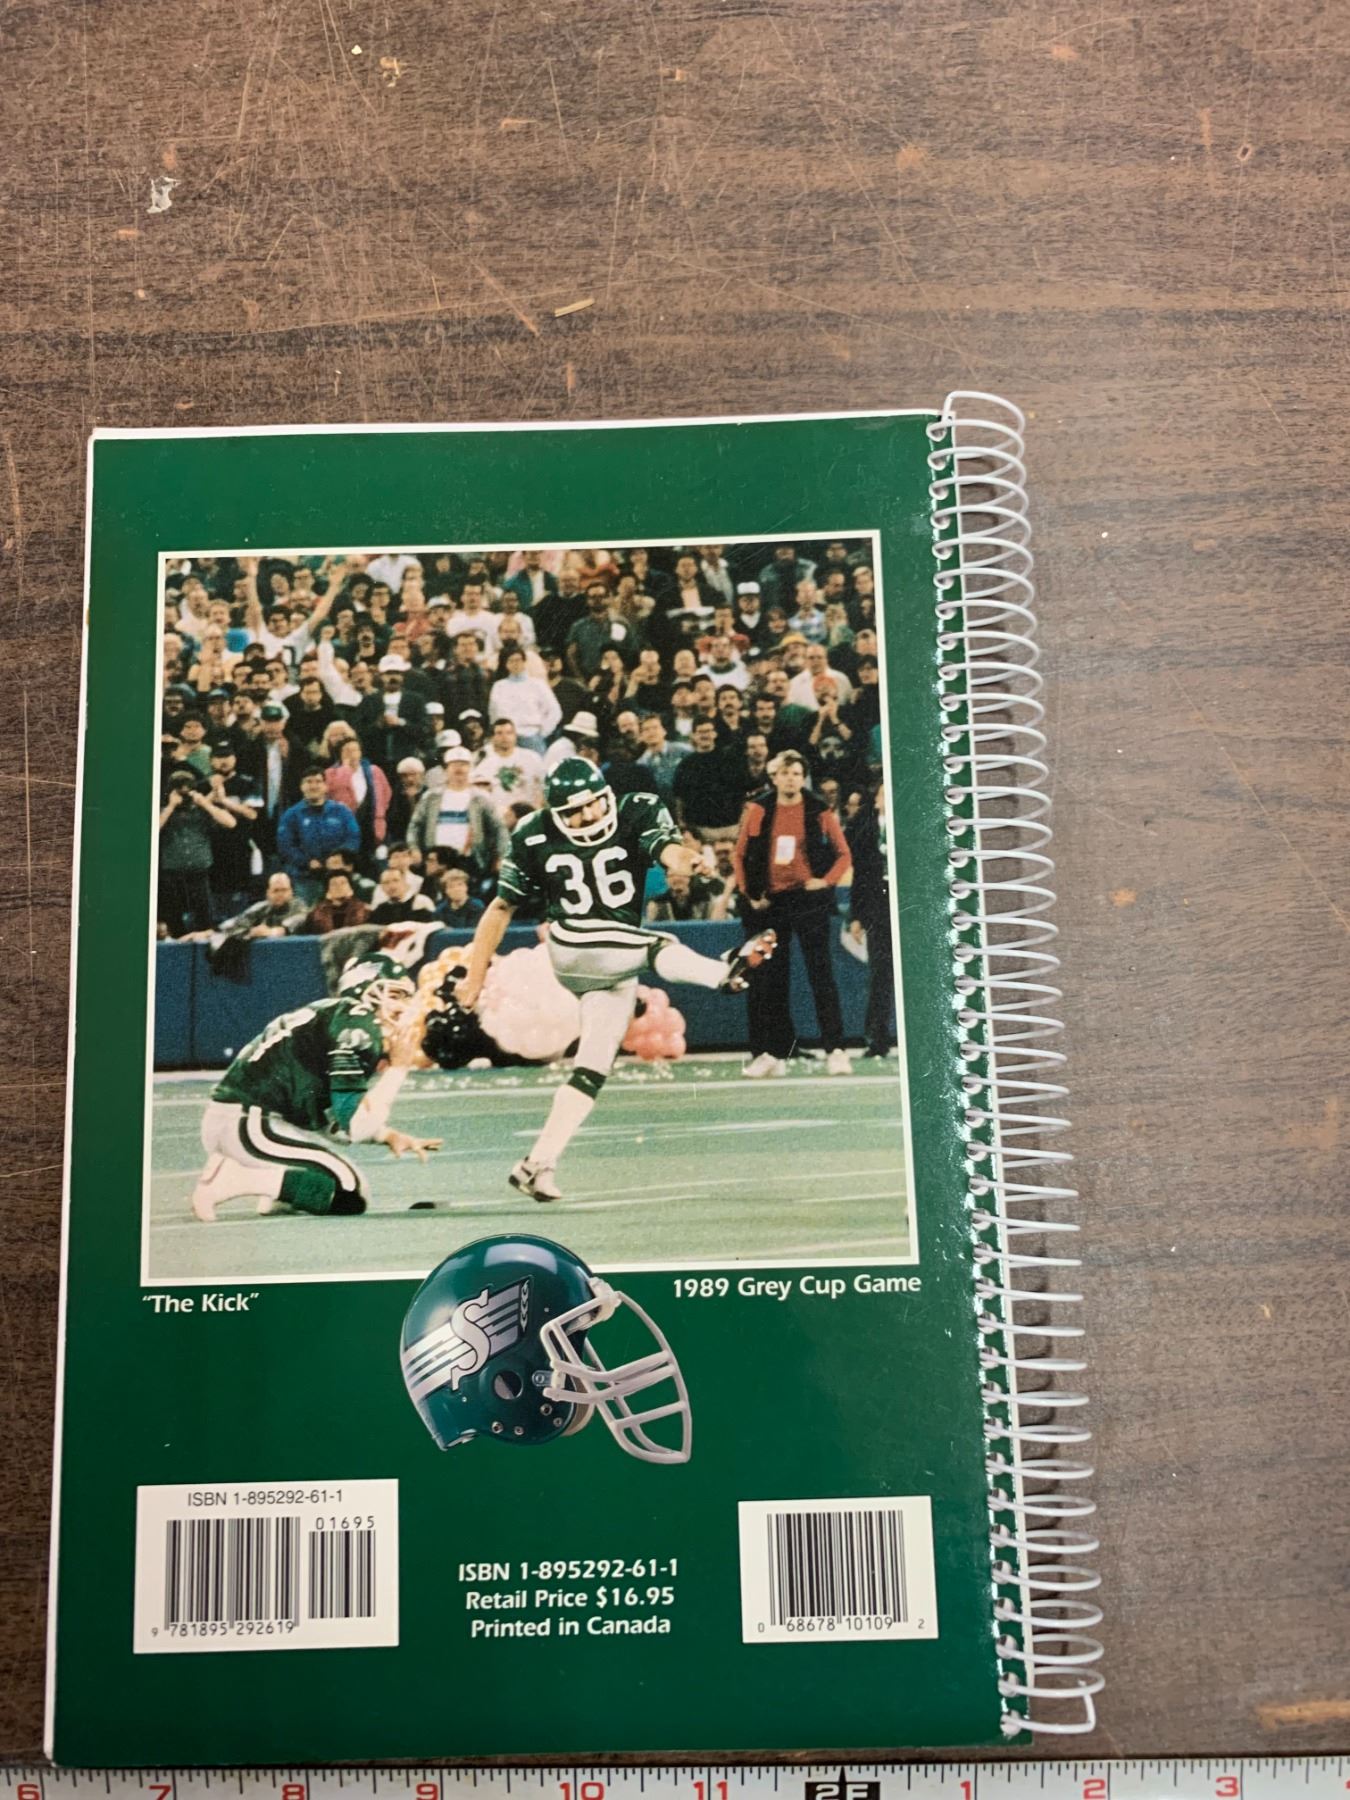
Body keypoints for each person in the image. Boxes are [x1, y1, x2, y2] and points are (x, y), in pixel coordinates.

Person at [454, 758, 776, 1201]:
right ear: (554, 813)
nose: (587, 816)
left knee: (591, 1069)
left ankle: (536, 1164)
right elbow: (501, 907)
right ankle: (723, 971)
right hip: (573, 942)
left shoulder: (636, 809)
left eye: (591, 804)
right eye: (573, 812)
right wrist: (475, 977)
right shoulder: (533, 832)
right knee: (658, 944)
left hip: (615, 958)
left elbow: (668, 850)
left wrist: (688, 861)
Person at [187, 964, 441, 1222]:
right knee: (349, 1192)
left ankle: (278, 1192)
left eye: (406, 997)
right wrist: (398, 1068)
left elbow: (329, 1116)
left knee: (343, 1189)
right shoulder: (358, 1026)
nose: (402, 1007)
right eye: (394, 996)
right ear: (363, 991)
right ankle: (237, 1178)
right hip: (248, 1123)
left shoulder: (337, 1017)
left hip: (246, 1120)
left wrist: (386, 1135)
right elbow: (355, 1125)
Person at [733, 750, 853, 1077]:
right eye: (785, 773)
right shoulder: (759, 809)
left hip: (809, 901)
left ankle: (836, 1050)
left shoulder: (818, 809)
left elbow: (843, 854)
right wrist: (750, 894)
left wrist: (824, 881)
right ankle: (773, 1054)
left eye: (796, 774)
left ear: (803, 778)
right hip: (772, 903)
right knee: (771, 979)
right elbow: (740, 855)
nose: (790, 779)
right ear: (774, 777)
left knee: (821, 974)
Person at [408, 744, 510, 886]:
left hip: (469, 860)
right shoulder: (431, 797)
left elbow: (499, 828)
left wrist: (500, 856)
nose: (459, 769)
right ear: (446, 769)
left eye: (463, 764)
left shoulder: (481, 798)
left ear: (470, 768)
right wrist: (414, 848)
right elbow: (415, 825)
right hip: (437, 860)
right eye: (454, 764)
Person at [845, 780, 896, 1059]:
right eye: (883, 793)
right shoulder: (866, 830)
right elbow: (860, 876)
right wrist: (856, 917)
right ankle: (877, 1038)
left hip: (906, 906)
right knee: (880, 973)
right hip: (877, 907)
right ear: (876, 800)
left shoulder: (908, 827)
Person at [158, 769, 238, 935]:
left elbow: (231, 823)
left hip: (199, 873)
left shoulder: (202, 810)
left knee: (205, 922)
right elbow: (152, 831)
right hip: (172, 875)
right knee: (175, 923)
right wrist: (171, 806)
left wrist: (205, 804)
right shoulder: (163, 811)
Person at [275, 766, 362, 899]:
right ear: (301, 786)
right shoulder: (291, 815)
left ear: (325, 786)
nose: (313, 786)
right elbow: (285, 846)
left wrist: (341, 857)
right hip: (305, 878)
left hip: (339, 876)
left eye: (318, 781)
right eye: (309, 782)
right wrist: (307, 862)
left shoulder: (341, 811)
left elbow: (354, 837)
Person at [324, 734, 391, 867]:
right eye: (347, 750)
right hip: (345, 825)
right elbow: (330, 793)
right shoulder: (331, 773)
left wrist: (380, 812)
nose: (352, 754)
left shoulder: (374, 771)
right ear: (340, 754)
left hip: (371, 824)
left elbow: (386, 793)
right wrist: (345, 769)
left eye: (355, 750)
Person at [487, 644, 561, 751]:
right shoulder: (499, 686)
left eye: (518, 660)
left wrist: (542, 733)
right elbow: (493, 714)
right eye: (511, 661)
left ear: (524, 661)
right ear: (505, 664)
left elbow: (555, 711)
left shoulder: (538, 684)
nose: (515, 664)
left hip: (532, 737)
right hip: (506, 738)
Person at [473, 717, 546, 816]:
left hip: (529, 813)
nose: (505, 737)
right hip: (498, 816)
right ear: (492, 737)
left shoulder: (532, 758)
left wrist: (537, 810)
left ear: (515, 735)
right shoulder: (484, 761)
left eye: (509, 733)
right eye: (499, 733)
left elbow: (543, 786)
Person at [302, 869, 371, 935]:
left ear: (351, 889)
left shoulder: (365, 912)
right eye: (334, 884)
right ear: (328, 892)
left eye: (343, 883)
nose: (339, 886)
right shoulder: (315, 916)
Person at [368, 864, 437, 924]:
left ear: (404, 882)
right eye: (386, 882)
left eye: (396, 880)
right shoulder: (381, 909)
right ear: (382, 887)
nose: (392, 886)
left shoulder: (421, 902)